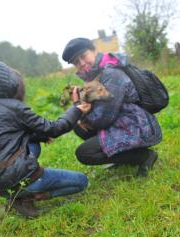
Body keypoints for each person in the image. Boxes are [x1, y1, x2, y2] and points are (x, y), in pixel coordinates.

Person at [0, 58, 91, 218]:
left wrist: (40, 136)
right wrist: (76, 109)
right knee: (81, 181)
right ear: (4, 81)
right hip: (17, 179)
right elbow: (54, 129)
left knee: (34, 145)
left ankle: (14, 194)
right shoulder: (13, 107)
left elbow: (2, 134)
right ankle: (27, 196)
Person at [62, 38, 162, 177]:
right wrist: (79, 116)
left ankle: (144, 156)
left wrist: (78, 107)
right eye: (77, 62)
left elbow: (102, 119)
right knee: (79, 127)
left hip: (137, 126)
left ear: (94, 51)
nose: (82, 63)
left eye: (83, 56)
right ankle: (123, 156)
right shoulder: (95, 74)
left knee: (85, 153)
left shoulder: (111, 73)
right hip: (121, 121)